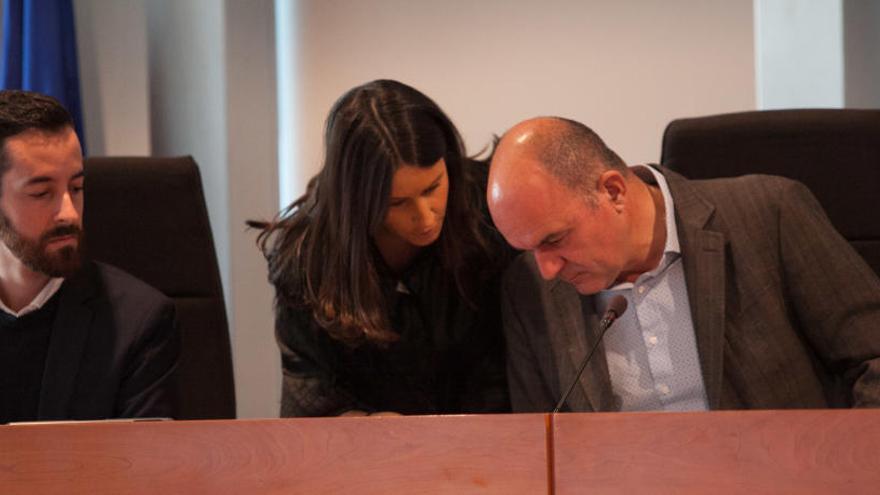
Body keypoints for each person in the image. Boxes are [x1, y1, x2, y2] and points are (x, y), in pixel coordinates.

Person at [487, 116, 880, 412]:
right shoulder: (528, 289)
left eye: (553, 240)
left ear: (613, 192)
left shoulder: (769, 215)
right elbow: (542, 442)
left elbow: (873, 358)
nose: (547, 269)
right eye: (527, 249)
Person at [253, 80, 512, 417]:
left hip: (493, 443)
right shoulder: (307, 258)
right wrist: (361, 427)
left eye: (433, 187)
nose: (424, 217)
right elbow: (310, 399)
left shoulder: (493, 211)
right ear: (357, 202)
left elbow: (517, 363)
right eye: (397, 202)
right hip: (369, 456)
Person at [0, 90, 179, 423]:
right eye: (42, 193)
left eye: (77, 188)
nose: (69, 212)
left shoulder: (137, 322)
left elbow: (146, 470)